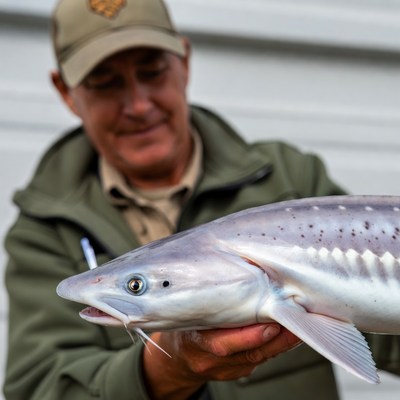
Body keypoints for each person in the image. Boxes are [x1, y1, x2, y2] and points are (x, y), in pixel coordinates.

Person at [3, 0, 400, 399]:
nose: (139, 105)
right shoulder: (42, 234)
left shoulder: (291, 179)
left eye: (152, 72)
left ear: (184, 63)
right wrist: (162, 372)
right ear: (66, 93)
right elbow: (37, 389)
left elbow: (379, 333)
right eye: (105, 83)